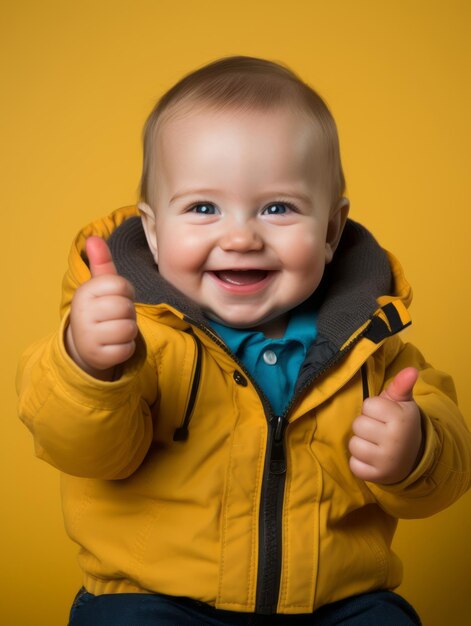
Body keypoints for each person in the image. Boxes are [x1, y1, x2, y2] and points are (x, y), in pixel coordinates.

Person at [17, 56, 471, 626]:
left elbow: (448, 462)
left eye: (277, 207)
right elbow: (81, 448)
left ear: (331, 230)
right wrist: (89, 368)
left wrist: (416, 449)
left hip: (335, 604)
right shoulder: (137, 334)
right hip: (156, 599)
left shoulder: (370, 345)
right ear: (154, 233)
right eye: (203, 208)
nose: (240, 236)